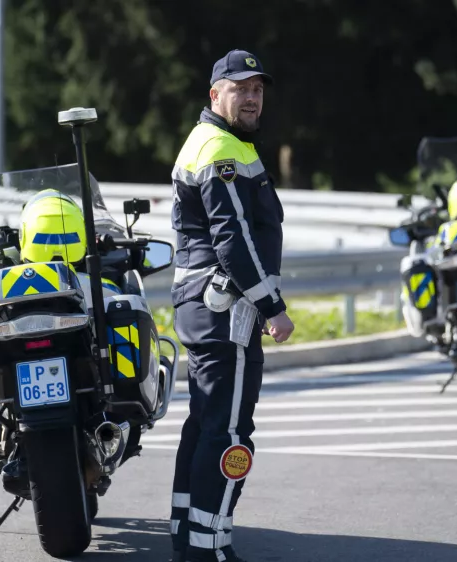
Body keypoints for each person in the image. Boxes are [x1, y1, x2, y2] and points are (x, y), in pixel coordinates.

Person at [168, 49, 295, 562]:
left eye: (258, 89)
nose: (252, 97)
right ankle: (209, 550)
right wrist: (272, 306)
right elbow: (234, 240)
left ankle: (190, 540)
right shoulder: (222, 149)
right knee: (229, 435)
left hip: (204, 308)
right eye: (240, 88)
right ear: (215, 94)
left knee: (205, 426)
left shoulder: (215, 141)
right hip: (225, 312)